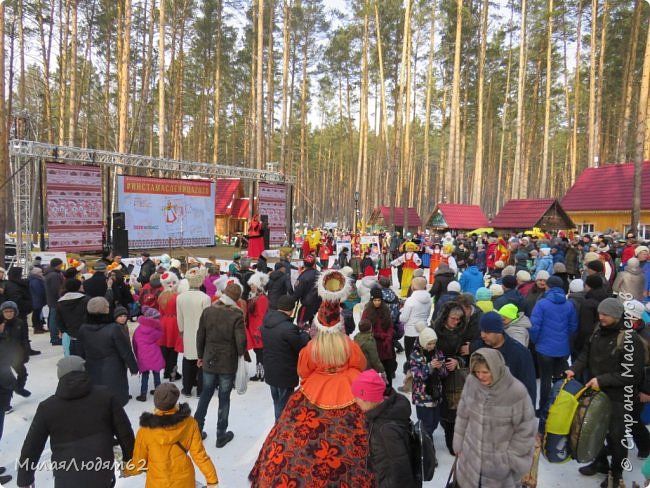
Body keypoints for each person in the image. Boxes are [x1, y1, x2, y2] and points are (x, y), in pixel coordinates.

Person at [249, 269, 374, 487]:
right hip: (350, 388)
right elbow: (360, 365)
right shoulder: (349, 345)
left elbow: (303, 372)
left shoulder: (311, 348)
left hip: (314, 390)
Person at [17, 356, 135, 488]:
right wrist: (129, 460)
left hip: (66, 477)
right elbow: (124, 432)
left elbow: (32, 446)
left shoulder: (48, 408)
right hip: (101, 473)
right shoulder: (105, 396)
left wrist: (25, 479)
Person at [567, 298, 646, 487]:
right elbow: (586, 353)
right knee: (595, 430)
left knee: (616, 438)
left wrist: (602, 380)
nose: (600, 317)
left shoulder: (629, 340)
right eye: (600, 313)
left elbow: (633, 375)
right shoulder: (598, 330)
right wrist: (574, 368)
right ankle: (601, 462)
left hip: (619, 398)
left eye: (605, 314)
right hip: (597, 393)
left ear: (617, 315)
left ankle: (616, 474)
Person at [453, 348, 536, 488]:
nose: (480, 376)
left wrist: (509, 460)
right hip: (471, 460)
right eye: (477, 372)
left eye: (485, 372)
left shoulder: (516, 391)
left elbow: (526, 431)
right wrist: (459, 442)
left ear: (496, 368)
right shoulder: (472, 383)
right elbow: (463, 414)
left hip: (500, 471)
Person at [124, 383, 219, 488]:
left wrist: (127, 470)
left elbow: (138, 463)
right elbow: (200, 456)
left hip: (157, 483)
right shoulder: (189, 423)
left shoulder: (145, 431)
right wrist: (212, 481)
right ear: (175, 401)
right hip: (184, 482)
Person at [194, 282, 247, 446]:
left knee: (205, 394)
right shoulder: (236, 315)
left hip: (209, 357)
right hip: (227, 361)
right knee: (224, 398)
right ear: (236, 299)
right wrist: (242, 354)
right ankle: (221, 434)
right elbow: (240, 341)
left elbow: (200, 335)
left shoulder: (208, 311)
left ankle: (196, 430)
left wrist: (200, 355)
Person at [351, 369, 416, 488]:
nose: (355, 401)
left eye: (357, 397)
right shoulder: (383, 411)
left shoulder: (386, 429)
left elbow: (401, 468)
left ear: (369, 398)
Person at [432, 301, 480, 455]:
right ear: (445, 316)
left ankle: (452, 442)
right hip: (436, 375)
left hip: (454, 378)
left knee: (453, 409)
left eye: (459, 319)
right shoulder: (434, 330)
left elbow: (467, 355)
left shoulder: (462, 331)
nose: (456, 322)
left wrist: (458, 361)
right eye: (453, 318)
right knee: (439, 407)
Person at [77, 297, 139, 406]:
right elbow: (125, 350)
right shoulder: (114, 328)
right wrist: (133, 367)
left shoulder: (83, 328)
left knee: (98, 402)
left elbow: (80, 351)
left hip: (92, 368)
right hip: (114, 369)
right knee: (115, 401)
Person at [530, 275, 577, 413]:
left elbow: (534, 326)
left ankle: (544, 408)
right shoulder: (569, 304)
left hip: (544, 348)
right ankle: (558, 407)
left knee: (545, 380)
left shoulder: (542, 304)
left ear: (548, 286)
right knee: (559, 380)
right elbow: (573, 326)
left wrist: (535, 341)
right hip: (562, 349)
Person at [470, 311, 537, 406]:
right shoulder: (479, 347)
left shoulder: (519, 353)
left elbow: (528, 388)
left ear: (499, 331)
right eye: (481, 331)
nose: (483, 335)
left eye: (487, 332)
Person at [261, 295, 310, 420]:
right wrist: (304, 334)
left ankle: (278, 426)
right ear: (291, 310)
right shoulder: (288, 328)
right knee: (283, 405)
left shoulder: (266, 322)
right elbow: (300, 345)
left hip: (270, 368)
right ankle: (279, 429)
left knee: (277, 401)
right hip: (285, 370)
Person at [409, 322, 448, 438]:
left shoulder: (437, 353)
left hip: (435, 394)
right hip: (422, 395)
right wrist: (429, 367)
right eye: (429, 343)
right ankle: (425, 444)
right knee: (426, 423)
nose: (432, 346)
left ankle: (424, 437)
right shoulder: (415, 355)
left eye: (434, 343)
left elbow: (444, 374)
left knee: (435, 421)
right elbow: (416, 375)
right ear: (423, 342)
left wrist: (441, 367)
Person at [177, 267, 210, 397]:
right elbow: (207, 318)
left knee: (188, 360)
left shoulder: (180, 298)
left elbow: (180, 317)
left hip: (188, 332)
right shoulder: (205, 298)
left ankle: (187, 388)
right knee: (201, 360)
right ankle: (201, 390)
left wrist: (181, 330)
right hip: (202, 333)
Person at [362, 287, 396, 388]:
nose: (377, 302)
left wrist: (389, 336)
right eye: (375, 300)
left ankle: (388, 389)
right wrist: (381, 335)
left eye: (379, 300)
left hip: (386, 345)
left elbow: (390, 325)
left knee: (387, 369)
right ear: (371, 300)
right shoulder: (367, 312)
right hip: (374, 345)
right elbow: (365, 328)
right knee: (375, 370)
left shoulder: (386, 310)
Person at [132, 306, 165, 401]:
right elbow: (161, 336)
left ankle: (143, 395)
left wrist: (136, 354)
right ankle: (158, 392)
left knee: (145, 375)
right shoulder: (156, 330)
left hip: (143, 355)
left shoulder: (138, 329)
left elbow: (134, 342)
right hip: (154, 353)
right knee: (156, 373)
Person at [55, 278, 90, 357]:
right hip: (86, 335)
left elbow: (58, 320)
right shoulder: (86, 300)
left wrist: (66, 330)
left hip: (71, 335)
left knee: (74, 359)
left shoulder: (60, 302)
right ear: (78, 287)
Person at [246, 272, 270, 382]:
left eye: (253, 285)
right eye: (250, 285)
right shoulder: (255, 297)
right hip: (254, 328)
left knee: (260, 352)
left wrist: (258, 330)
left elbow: (261, 315)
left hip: (257, 329)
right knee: (258, 352)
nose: (251, 287)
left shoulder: (261, 299)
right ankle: (260, 372)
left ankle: (262, 373)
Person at [292, 254, 321, 328]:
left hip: (307, 304)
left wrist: (292, 300)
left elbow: (297, 289)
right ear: (314, 264)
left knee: (300, 322)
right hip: (319, 303)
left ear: (304, 264)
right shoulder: (319, 274)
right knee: (315, 323)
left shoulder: (303, 276)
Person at [44, 257, 64, 345]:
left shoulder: (50, 274)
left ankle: (54, 337)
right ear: (58, 265)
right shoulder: (54, 275)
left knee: (52, 317)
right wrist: (61, 297)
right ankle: (55, 338)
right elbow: (57, 289)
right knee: (54, 319)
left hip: (51, 299)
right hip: (55, 300)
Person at [28, 267, 47, 334]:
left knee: (38, 314)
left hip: (37, 299)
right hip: (36, 299)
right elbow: (39, 291)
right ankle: (37, 328)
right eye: (40, 272)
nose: (42, 273)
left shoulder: (36, 279)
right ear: (36, 273)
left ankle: (39, 327)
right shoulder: (35, 280)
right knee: (36, 314)